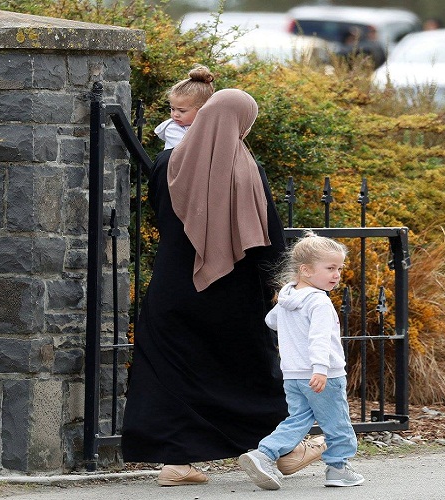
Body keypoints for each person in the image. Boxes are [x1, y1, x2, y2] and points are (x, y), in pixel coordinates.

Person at [122, 89, 291, 486]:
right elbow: (268, 237)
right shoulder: (246, 169)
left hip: (173, 286)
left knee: (169, 371)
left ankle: (175, 462)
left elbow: (162, 218)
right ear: (239, 122)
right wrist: (280, 282)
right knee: (247, 369)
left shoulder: (167, 163)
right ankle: (279, 450)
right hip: (232, 293)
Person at [238, 230, 363, 490]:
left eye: (339, 268)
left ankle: (263, 454)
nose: (336, 274)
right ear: (305, 270)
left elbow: (270, 321)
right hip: (323, 375)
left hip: (293, 375)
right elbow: (319, 339)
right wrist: (320, 369)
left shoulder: (288, 297)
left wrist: (288, 318)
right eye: (330, 268)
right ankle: (338, 468)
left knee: (297, 420)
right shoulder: (319, 302)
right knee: (336, 421)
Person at [153, 64, 214, 149]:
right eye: (172, 109)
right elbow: (188, 150)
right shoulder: (173, 128)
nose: (175, 114)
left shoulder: (210, 126)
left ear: (202, 110)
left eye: (182, 111)